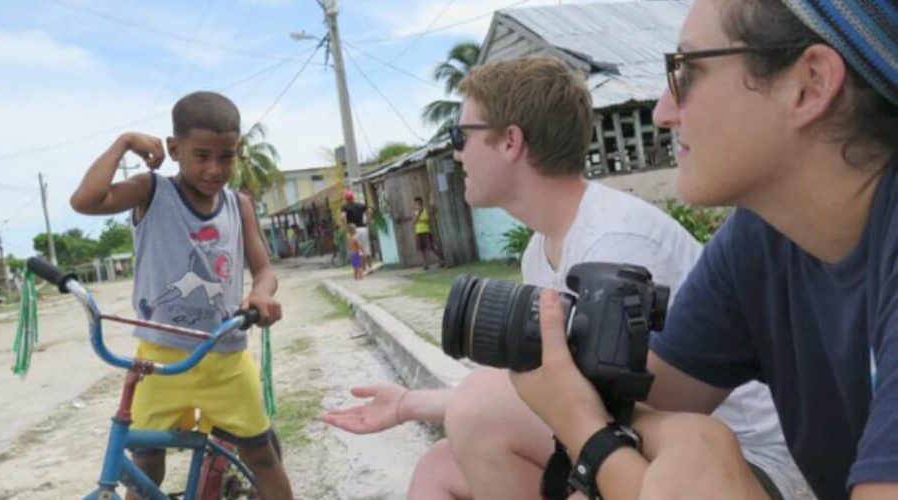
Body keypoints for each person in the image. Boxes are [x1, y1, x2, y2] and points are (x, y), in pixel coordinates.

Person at [321, 57, 813, 499]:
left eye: (460, 137)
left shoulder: (615, 247)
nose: (456, 155)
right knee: (437, 469)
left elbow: (598, 403)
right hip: (633, 435)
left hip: (736, 465)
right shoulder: (543, 249)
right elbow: (551, 390)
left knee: (476, 418)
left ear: (510, 141)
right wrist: (409, 404)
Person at [503, 0, 898, 498]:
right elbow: (651, 395)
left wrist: (589, 432)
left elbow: (617, 427)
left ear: (811, 84)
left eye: (686, 72)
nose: (662, 111)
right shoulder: (763, 240)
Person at [70, 91, 294, 500]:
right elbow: (85, 201)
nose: (214, 168)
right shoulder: (151, 191)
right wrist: (122, 143)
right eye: (201, 155)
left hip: (224, 355)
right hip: (158, 358)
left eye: (225, 156)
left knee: (262, 457)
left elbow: (263, 270)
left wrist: (259, 295)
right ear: (174, 149)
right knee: (147, 464)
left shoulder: (237, 205)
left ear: (237, 152)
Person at [340, 189, 372, 271]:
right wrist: (368, 220)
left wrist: (345, 226)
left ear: (346, 199)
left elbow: (343, 217)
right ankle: (370, 267)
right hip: (363, 228)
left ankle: (361, 268)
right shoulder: (360, 205)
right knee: (366, 248)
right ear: (353, 197)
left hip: (353, 231)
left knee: (356, 250)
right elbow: (369, 210)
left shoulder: (345, 207)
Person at [413, 196, 444, 270]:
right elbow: (414, 221)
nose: (417, 205)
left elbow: (428, 220)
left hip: (426, 231)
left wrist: (421, 219)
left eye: (418, 203)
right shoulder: (415, 212)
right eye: (416, 203)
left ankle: (441, 260)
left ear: (421, 203)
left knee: (431, 248)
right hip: (418, 231)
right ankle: (425, 264)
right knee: (422, 249)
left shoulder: (425, 210)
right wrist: (418, 216)